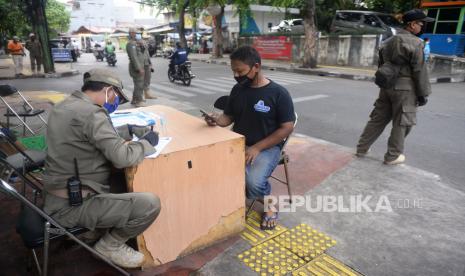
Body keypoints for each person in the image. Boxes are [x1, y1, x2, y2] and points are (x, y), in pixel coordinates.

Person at [43, 68, 161, 268]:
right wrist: (146, 143)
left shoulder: (64, 106)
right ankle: (109, 245)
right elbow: (123, 158)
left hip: (58, 195)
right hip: (71, 207)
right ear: (108, 90)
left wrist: (128, 130)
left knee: (120, 181)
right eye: (114, 94)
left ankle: (95, 232)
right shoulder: (91, 113)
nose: (113, 100)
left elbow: (84, 135)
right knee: (150, 204)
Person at [203, 46, 295, 230]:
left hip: (267, 147)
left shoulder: (278, 93)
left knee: (253, 184)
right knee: (210, 168)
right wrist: (216, 120)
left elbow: (287, 127)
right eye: (234, 71)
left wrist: (257, 148)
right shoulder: (238, 90)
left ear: (256, 67)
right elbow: (228, 117)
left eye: (240, 71)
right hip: (239, 143)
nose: (237, 76)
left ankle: (269, 205)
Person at [356, 9, 433, 165]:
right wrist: (423, 93)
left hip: (387, 87)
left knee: (378, 118)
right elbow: (419, 70)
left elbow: (381, 66)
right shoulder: (417, 43)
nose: (423, 26)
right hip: (405, 89)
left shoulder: (387, 41)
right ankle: (393, 156)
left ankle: (361, 148)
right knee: (403, 122)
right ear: (412, 24)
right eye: (421, 23)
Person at [126, 27, 156, 106]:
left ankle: (142, 95)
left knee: (146, 81)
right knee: (139, 84)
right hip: (137, 67)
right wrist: (139, 68)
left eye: (139, 33)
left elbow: (147, 54)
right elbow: (133, 57)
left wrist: (150, 64)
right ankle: (138, 100)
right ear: (131, 34)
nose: (138, 35)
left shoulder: (142, 42)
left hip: (146, 64)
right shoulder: (131, 44)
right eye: (136, 33)